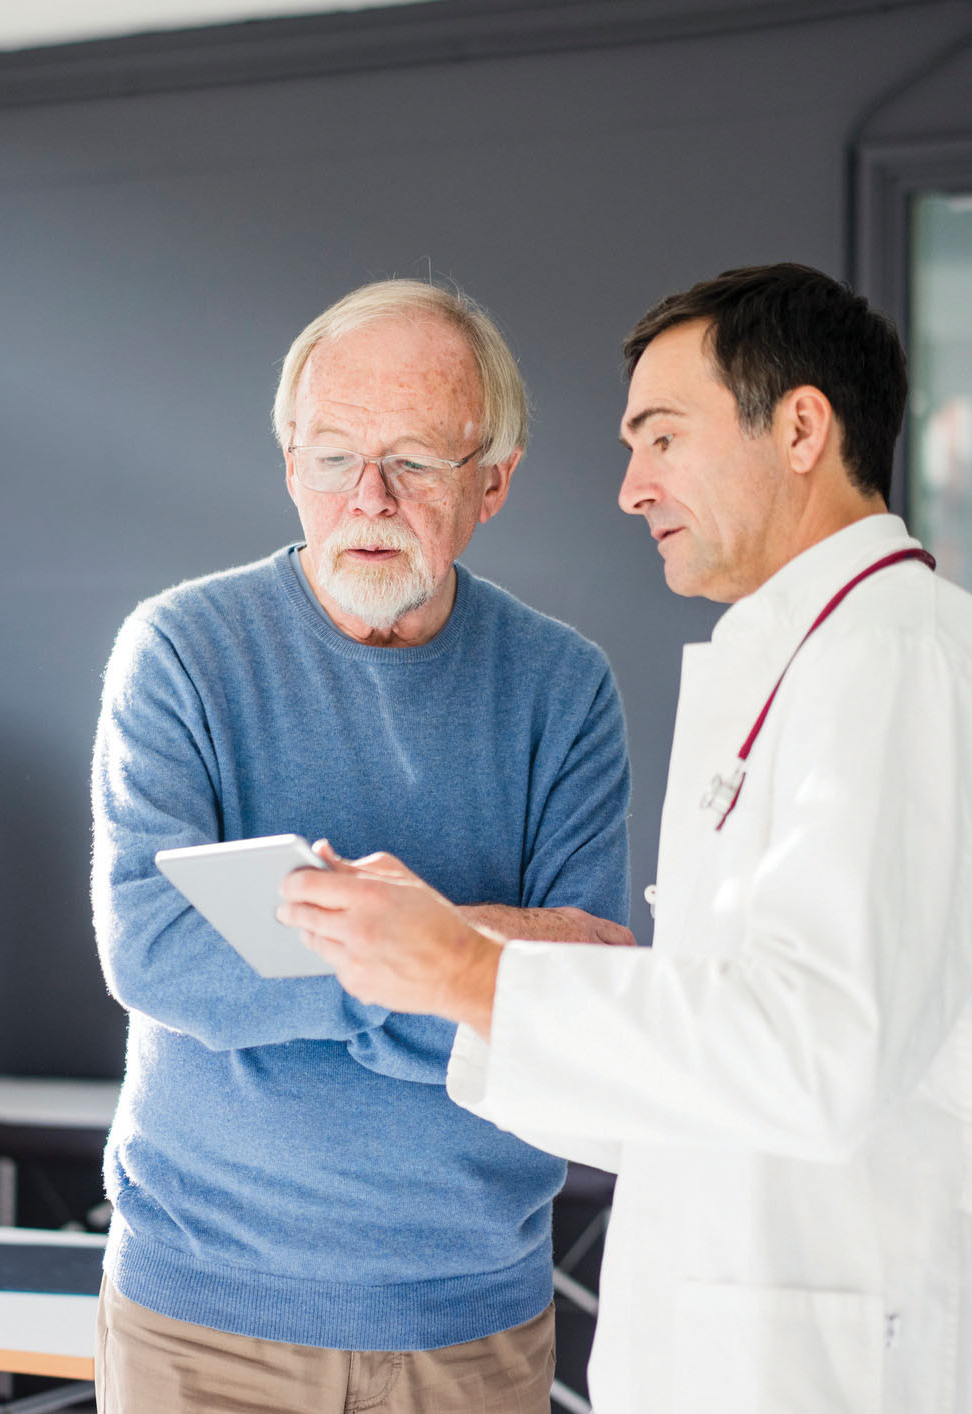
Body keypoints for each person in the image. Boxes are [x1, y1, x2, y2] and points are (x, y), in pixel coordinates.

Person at [281, 263, 972, 1413]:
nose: (629, 487)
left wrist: (472, 970)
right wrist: (450, 981)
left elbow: (817, 1054)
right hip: (757, 1327)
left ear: (802, 426)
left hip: (868, 1344)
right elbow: (712, 1066)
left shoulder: (902, 659)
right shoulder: (809, 660)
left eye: (661, 437)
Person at [89, 278, 633, 1413]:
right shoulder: (180, 652)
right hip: (204, 1319)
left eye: (415, 461)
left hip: (471, 1320)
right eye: (333, 455)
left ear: (493, 479)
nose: (368, 496)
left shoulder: (564, 688)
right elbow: (152, 950)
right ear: (291, 462)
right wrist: (438, 961)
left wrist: (327, 940)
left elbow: (586, 976)